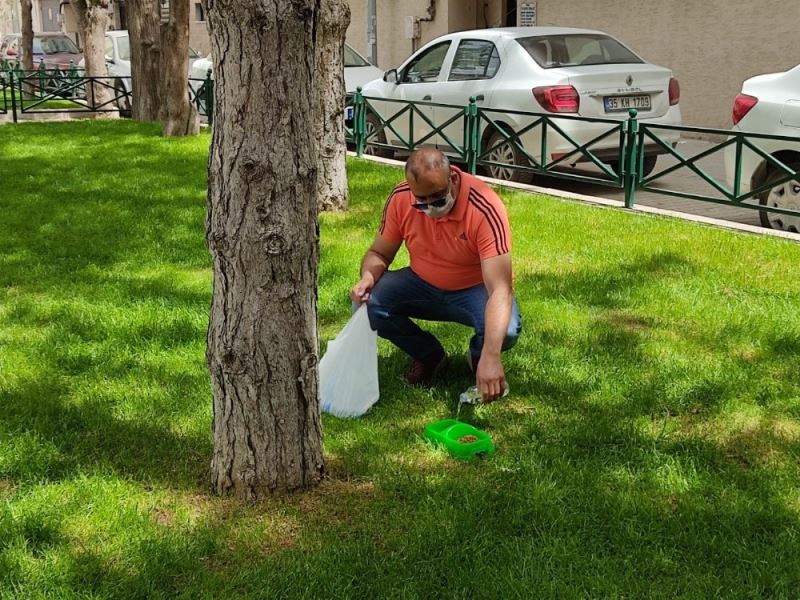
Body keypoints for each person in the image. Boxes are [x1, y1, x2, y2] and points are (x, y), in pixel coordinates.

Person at [349, 148, 522, 403]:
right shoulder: (401, 198)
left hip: (474, 289)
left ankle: (479, 357)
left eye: (438, 198)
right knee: (368, 303)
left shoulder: (484, 206)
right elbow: (379, 253)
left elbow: (500, 289)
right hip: (421, 283)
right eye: (421, 201)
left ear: (453, 178)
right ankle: (429, 355)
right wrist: (367, 277)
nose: (430, 207)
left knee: (506, 330)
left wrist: (491, 356)